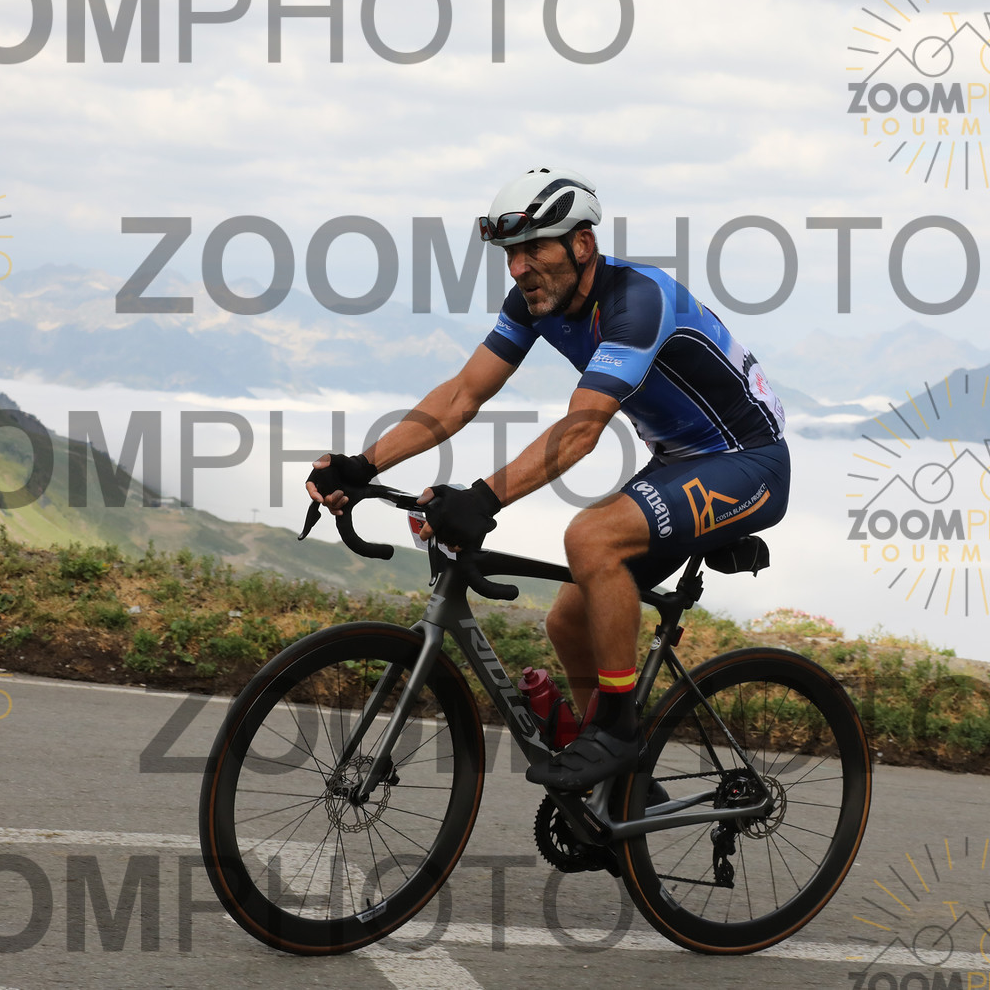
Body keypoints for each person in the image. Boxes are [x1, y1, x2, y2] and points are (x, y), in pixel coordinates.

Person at [306, 166, 790, 790]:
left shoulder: (638, 302)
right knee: (567, 621)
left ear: (581, 244)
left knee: (591, 537)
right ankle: (619, 787)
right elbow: (461, 395)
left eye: (533, 249)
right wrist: (364, 465)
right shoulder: (535, 303)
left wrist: (482, 499)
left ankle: (616, 732)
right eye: (511, 254)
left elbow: (582, 430)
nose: (518, 268)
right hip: (679, 460)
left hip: (749, 461)